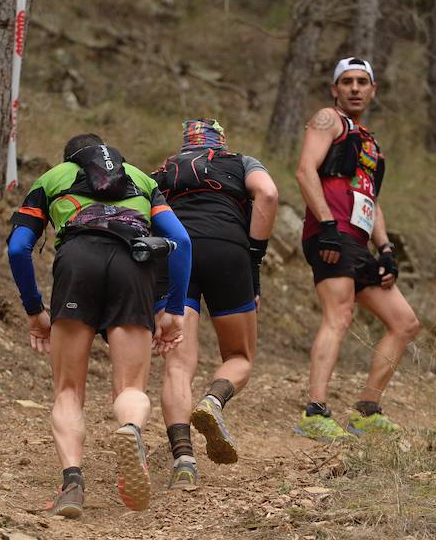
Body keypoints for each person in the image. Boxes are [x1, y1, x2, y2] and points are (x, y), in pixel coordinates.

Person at [7, 133, 192, 516]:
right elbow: (181, 242)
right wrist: (173, 309)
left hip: (78, 263)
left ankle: (72, 484)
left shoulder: (52, 178)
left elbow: (17, 247)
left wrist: (33, 310)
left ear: (70, 160)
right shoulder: (141, 178)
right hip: (133, 266)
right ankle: (132, 431)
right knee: (130, 386)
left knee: (68, 390)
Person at [294, 57, 421, 442]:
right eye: (346, 81)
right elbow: (304, 170)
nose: (354, 88)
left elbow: (370, 198)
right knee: (340, 314)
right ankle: (314, 412)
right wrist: (328, 226)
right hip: (330, 234)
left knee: (405, 323)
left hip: (359, 240)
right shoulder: (327, 120)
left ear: (373, 90)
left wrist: (386, 249)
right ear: (335, 89)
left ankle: (367, 410)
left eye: (362, 81)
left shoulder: (368, 140)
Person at [151, 119, 278, 488]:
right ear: (221, 143)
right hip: (228, 251)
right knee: (239, 356)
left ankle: (184, 461)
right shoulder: (240, 162)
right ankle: (213, 401)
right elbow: (267, 194)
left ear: (184, 145)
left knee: (177, 364)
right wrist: (254, 257)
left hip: (176, 255)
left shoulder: (162, 172)